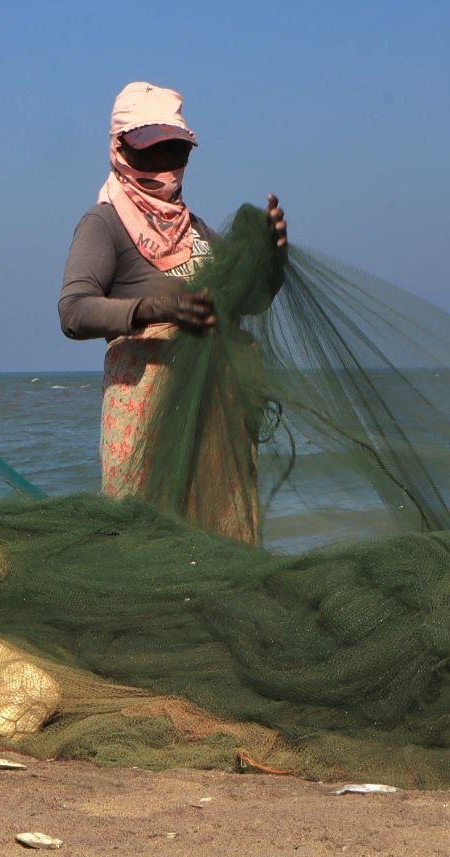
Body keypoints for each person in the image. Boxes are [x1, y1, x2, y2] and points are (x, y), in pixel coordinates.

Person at [58, 81, 287, 543]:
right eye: (150, 152)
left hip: (216, 412)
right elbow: (74, 311)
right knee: (149, 541)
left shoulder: (196, 230)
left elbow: (250, 301)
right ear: (119, 149)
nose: (164, 167)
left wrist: (272, 257)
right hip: (148, 420)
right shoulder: (105, 224)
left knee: (220, 540)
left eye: (174, 152)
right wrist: (155, 308)